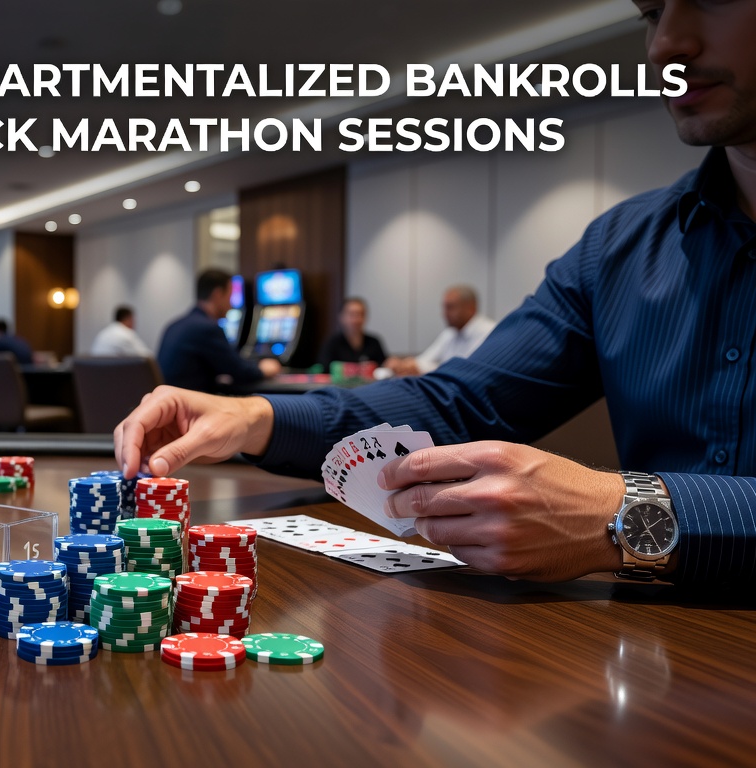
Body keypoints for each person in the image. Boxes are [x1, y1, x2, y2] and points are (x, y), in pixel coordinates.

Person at [116, 0, 756, 588]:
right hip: (646, 651)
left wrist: (629, 513)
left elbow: (614, 507)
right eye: (651, 12)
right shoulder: (616, 247)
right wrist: (260, 418)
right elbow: (465, 402)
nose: (666, 44)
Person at [157, 270, 282, 392]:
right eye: (230, 296)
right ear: (217, 294)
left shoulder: (175, 325)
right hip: (189, 402)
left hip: (174, 399)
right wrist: (264, 369)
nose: (232, 305)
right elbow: (240, 371)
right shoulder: (206, 328)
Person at [387, 286, 497, 377]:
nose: (444, 314)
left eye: (450, 307)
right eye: (445, 307)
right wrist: (404, 365)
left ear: (471, 308)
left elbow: (465, 370)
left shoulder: (489, 332)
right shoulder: (450, 333)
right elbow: (424, 360)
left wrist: (419, 368)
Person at [317, 297, 387, 367]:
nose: (356, 320)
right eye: (351, 314)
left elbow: (383, 365)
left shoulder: (374, 342)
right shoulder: (332, 343)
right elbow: (323, 367)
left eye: (360, 314)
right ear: (342, 317)